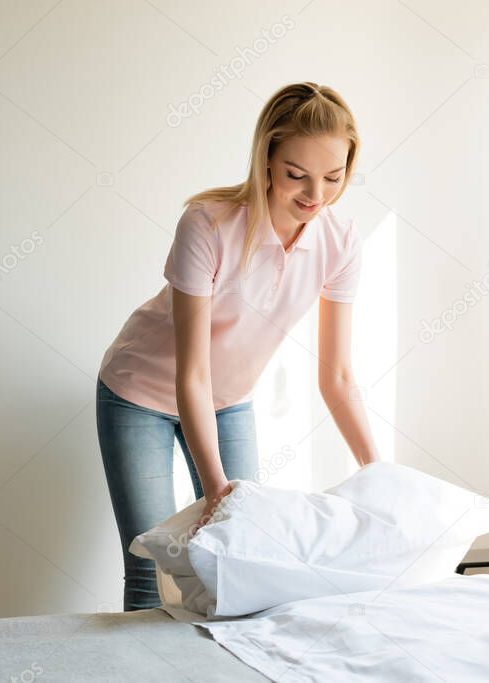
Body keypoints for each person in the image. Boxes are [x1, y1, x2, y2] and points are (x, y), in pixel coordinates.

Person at [95, 81, 380, 611]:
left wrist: (378, 471)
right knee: (149, 573)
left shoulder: (340, 242)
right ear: (266, 159)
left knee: (243, 560)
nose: (315, 195)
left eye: (333, 178)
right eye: (297, 175)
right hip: (140, 393)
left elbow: (337, 375)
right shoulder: (206, 224)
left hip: (228, 401)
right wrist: (215, 487)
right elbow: (193, 375)